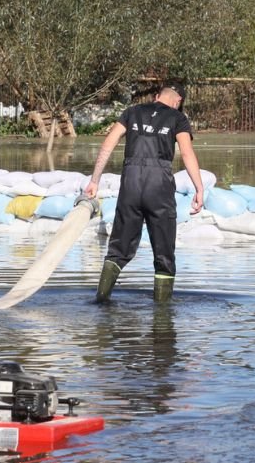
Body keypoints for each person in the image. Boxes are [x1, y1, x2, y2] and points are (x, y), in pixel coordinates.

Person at [83, 84, 204, 302]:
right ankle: (162, 314)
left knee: (118, 248)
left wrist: (94, 180)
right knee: (164, 252)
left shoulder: (132, 112)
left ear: (157, 97)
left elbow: (108, 144)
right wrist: (199, 188)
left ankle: (100, 301)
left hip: (130, 183)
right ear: (177, 102)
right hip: (160, 186)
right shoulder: (178, 118)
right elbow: (186, 153)